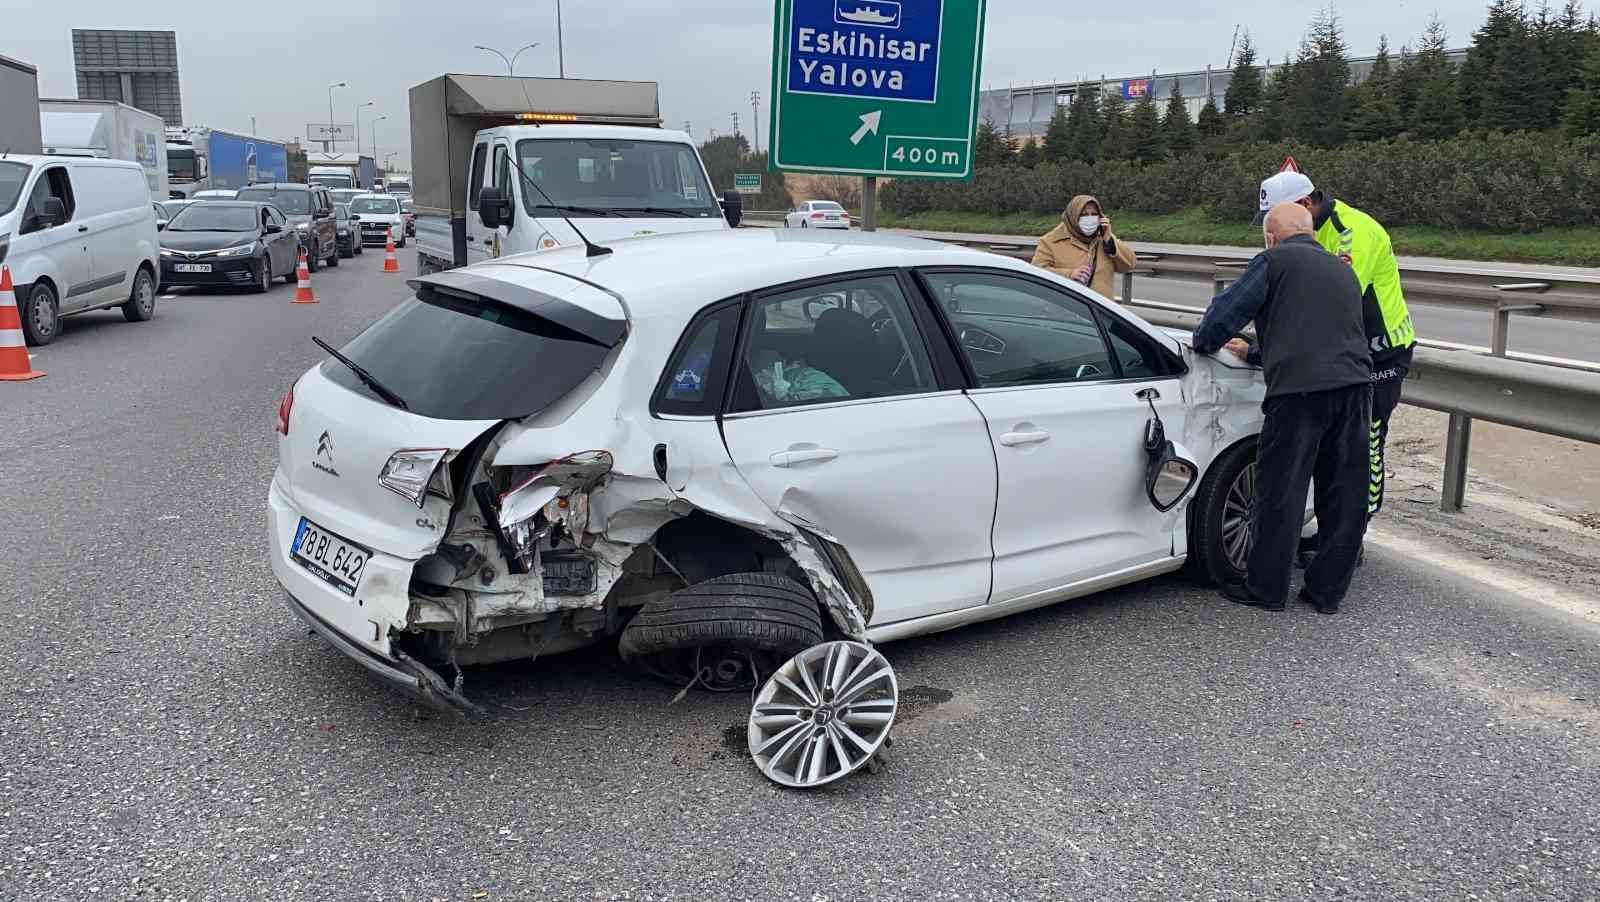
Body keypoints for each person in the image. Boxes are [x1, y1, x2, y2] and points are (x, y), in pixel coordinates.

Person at [1192, 203, 1372, 614]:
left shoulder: (1272, 261)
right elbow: (1324, 332)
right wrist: (1258, 350)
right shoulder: (1341, 268)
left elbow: (1224, 314)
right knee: (1343, 495)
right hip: (1354, 388)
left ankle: (1266, 588)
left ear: (1271, 235)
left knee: (1280, 489)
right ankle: (1326, 593)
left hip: (1300, 393)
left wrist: (1206, 341)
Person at [1254, 172, 1416, 563]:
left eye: (1274, 217)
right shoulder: (1305, 232)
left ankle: (1350, 541)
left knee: (1364, 449)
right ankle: (1333, 537)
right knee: (1332, 449)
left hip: (1381, 353)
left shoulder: (1351, 233)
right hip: (1344, 352)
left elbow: (1326, 304)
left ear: (1305, 204)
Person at [1031, 195, 1138, 298]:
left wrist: (1109, 240)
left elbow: (1129, 264)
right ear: (1073, 216)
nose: (1090, 218)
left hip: (1100, 311)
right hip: (1066, 310)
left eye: (1094, 214)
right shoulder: (1051, 241)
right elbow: (1037, 273)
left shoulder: (1103, 237)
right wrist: (1069, 274)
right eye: (1084, 215)